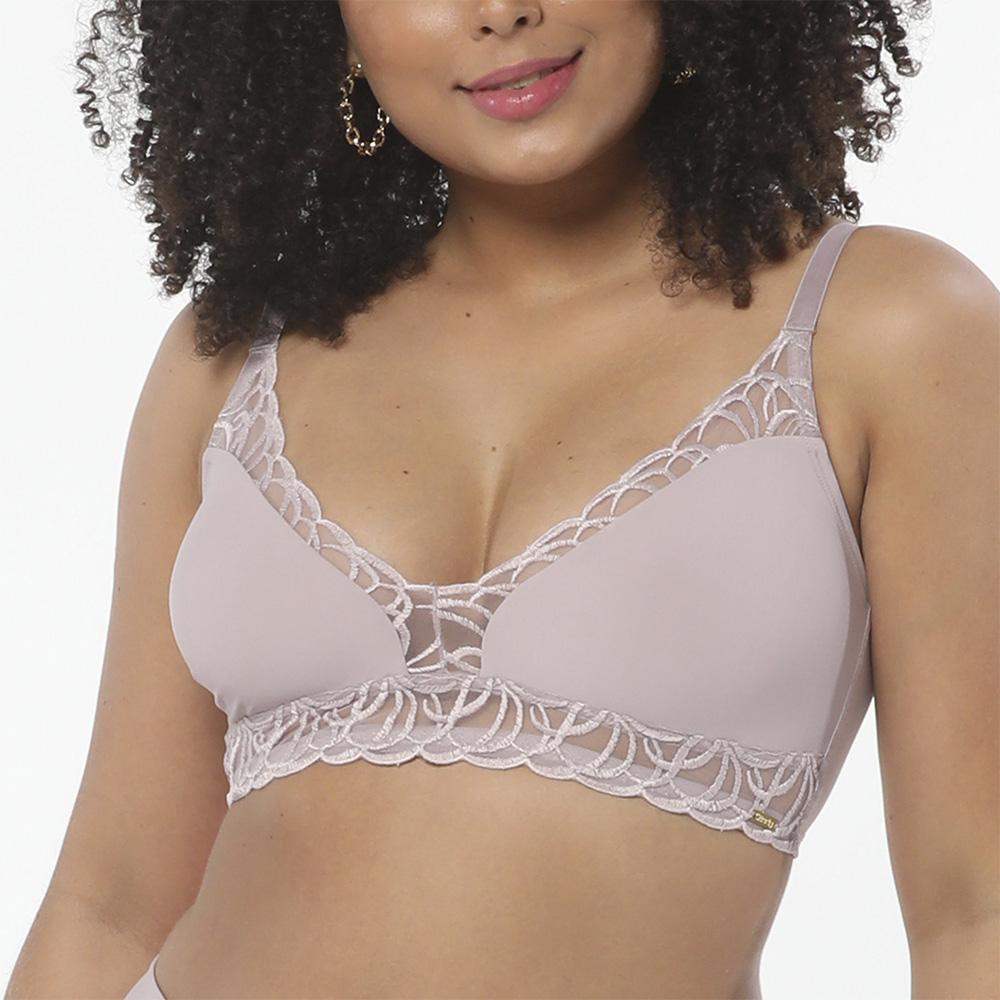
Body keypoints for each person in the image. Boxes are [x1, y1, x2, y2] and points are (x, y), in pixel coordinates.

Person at [6, 2, 998, 998]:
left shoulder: (890, 327)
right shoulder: (227, 361)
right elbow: (108, 900)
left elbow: (975, 913)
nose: (500, 11)